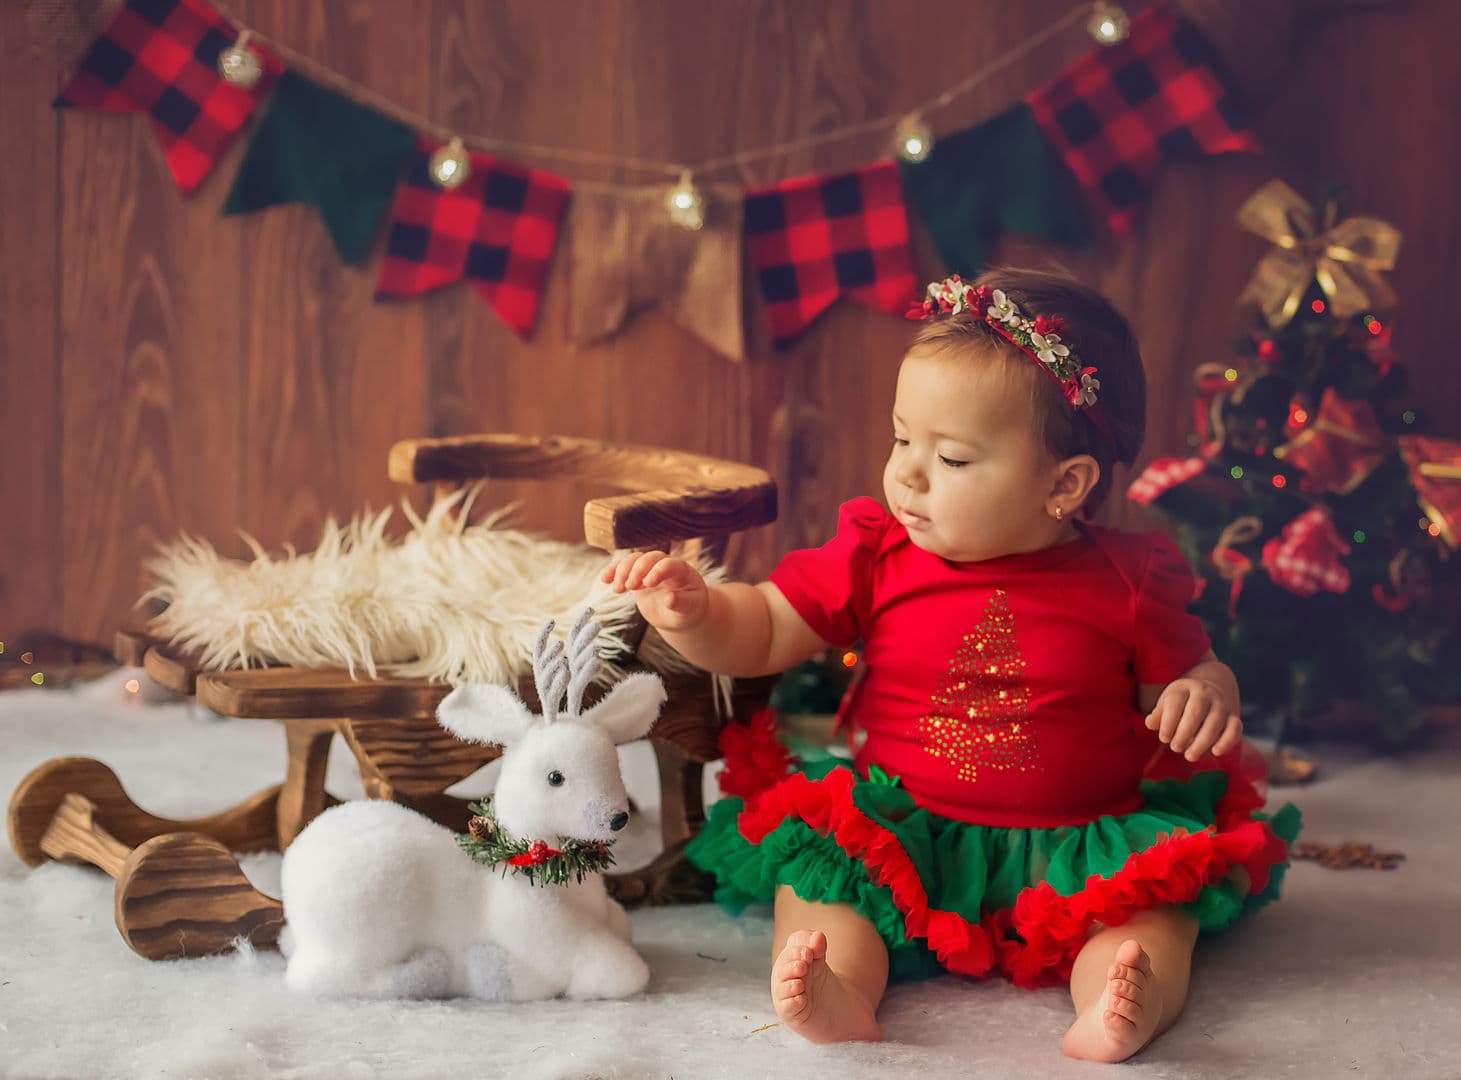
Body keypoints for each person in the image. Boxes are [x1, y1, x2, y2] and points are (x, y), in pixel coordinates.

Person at [602, 268, 1300, 1062]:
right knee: (822, 882)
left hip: (1078, 842)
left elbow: (1187, 675)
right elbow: (761, 628)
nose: (907, 472)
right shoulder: (875, 550)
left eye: (954, 459)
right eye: (902, 438)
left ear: (1064, 485)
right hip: (906, 830)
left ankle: (1119, 1000)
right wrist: (697, 612)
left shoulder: (1130, 580)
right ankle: (839, 986)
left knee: (1153, 911)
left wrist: (1205, 691)